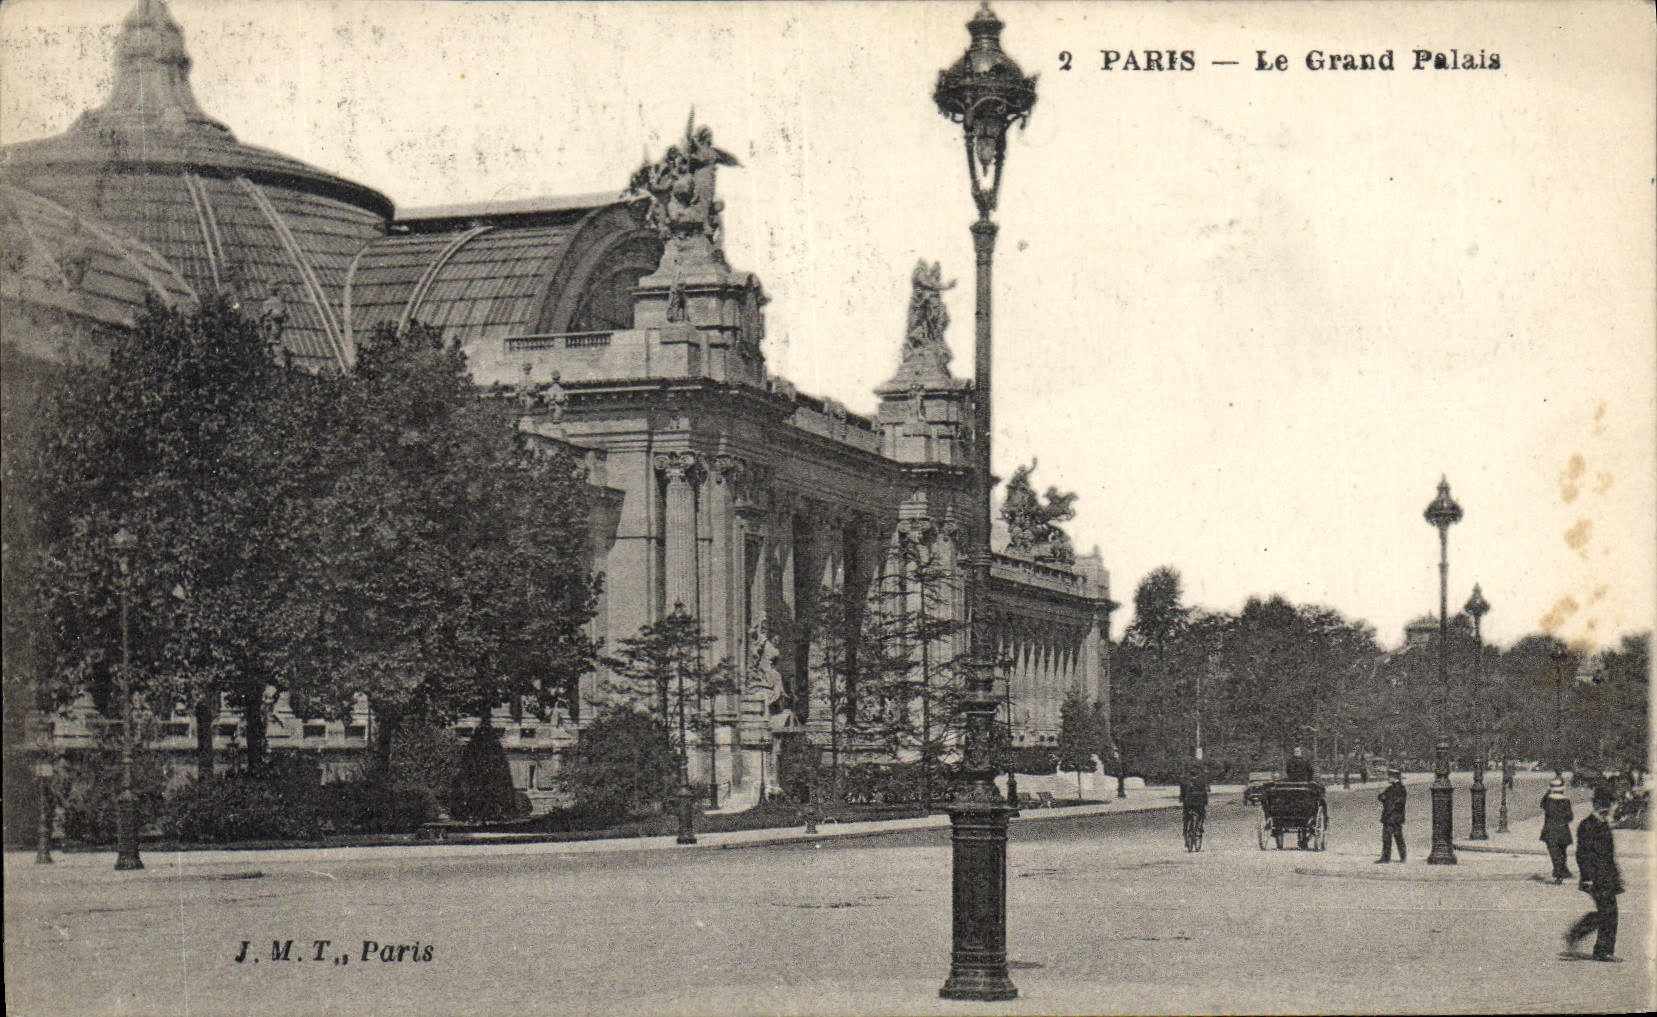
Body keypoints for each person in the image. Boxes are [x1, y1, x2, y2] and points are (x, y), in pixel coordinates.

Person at [1564, 787, 1623, 961]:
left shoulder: (1602, 823)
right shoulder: (1587, 825)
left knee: (1609, 913)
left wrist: (1615, 877)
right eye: (1607, 804)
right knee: (1607, 912)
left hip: (1607, 877)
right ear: (1599, 805)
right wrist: (1588, 877)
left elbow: (1608, 854)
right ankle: (1599, 948)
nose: (1611, 807)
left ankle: (1598, 947)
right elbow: (1583, 854)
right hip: (1596, 877)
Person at [1539, 778, 1575, 883]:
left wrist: (1547, 791)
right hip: (1563, 830)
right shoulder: (1566, 801)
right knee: (1562, 852)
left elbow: (1542, 804)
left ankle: (1559, 873)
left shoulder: (1548, 801)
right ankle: (1563, 870)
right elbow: (1570, 817)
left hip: (1550, 830)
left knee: (1554, 853)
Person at [1377, 767, 1407, 863]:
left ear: (1394, 777)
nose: (1388, 778)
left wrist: (1388, 806)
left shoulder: (1398, 789)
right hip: (1395, 817)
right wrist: (1382, 796)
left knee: (1388, 838)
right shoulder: (1395, 788)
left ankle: (1386, 858)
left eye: (1389, 776)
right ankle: (1402, 856)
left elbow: (1397, 803)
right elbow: (1382, 797)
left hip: (1392, 817)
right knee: (1396, 837)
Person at [1178, 762, 1209, 852]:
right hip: (1199, 804)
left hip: (1188, 804)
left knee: (1186, 817)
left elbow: (1182, 794)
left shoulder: (1184, 781)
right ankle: (1199, 827)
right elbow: (1205, 793)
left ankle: (1186, 834)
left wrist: (1182, 799)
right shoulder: (1202, 781)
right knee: (1202, 815)